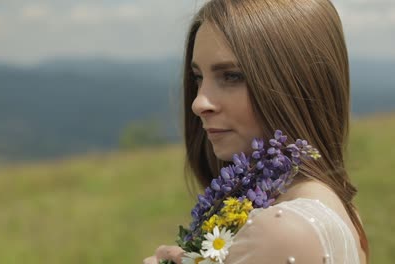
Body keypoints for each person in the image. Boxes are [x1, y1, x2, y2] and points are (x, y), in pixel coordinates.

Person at [143, 0, 370, 263]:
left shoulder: (282, 231)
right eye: (198, 78)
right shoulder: (336, 208)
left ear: (297, 84)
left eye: (231, 76)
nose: (198, 103)